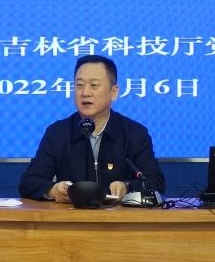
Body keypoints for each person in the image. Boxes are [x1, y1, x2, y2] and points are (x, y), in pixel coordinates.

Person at [19, 54, 165, 202]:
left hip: (118, 215)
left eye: (94, 85)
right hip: (70, 215)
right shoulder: (58, 133)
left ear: (113, 92)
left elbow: (156, 182)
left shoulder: (135, 134)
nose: (85, 93)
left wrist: (127, 186)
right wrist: (52, 190)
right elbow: (28, 182)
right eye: (79, 85)